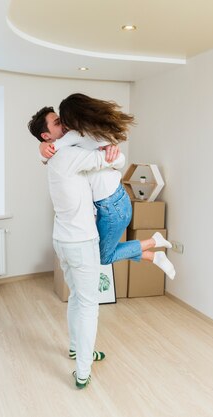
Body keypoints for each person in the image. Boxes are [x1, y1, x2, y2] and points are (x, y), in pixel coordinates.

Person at [28, 106, 124, 390]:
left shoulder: (57, 154)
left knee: (77, 300)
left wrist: (50, 145)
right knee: (89, 305)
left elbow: (77, 144)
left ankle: (75, 348)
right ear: (47, 134)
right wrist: (112, 151)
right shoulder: (68, 155)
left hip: (63, 239)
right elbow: (116, 161)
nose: (65, 123)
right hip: (80, 242)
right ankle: (83, 370)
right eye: (58, 122)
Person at [39, 93, 176, 279]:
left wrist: (42, 150)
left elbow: (50, 152)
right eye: (58, 122)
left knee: (103, 256)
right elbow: (49, 151)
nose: (63, 125)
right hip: (114, 202)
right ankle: (154, 250)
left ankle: (152, 248)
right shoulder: (94, 133)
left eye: (63, 120)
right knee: (102, 254)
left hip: (112, 205)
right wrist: (42, 148)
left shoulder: (77, 136)